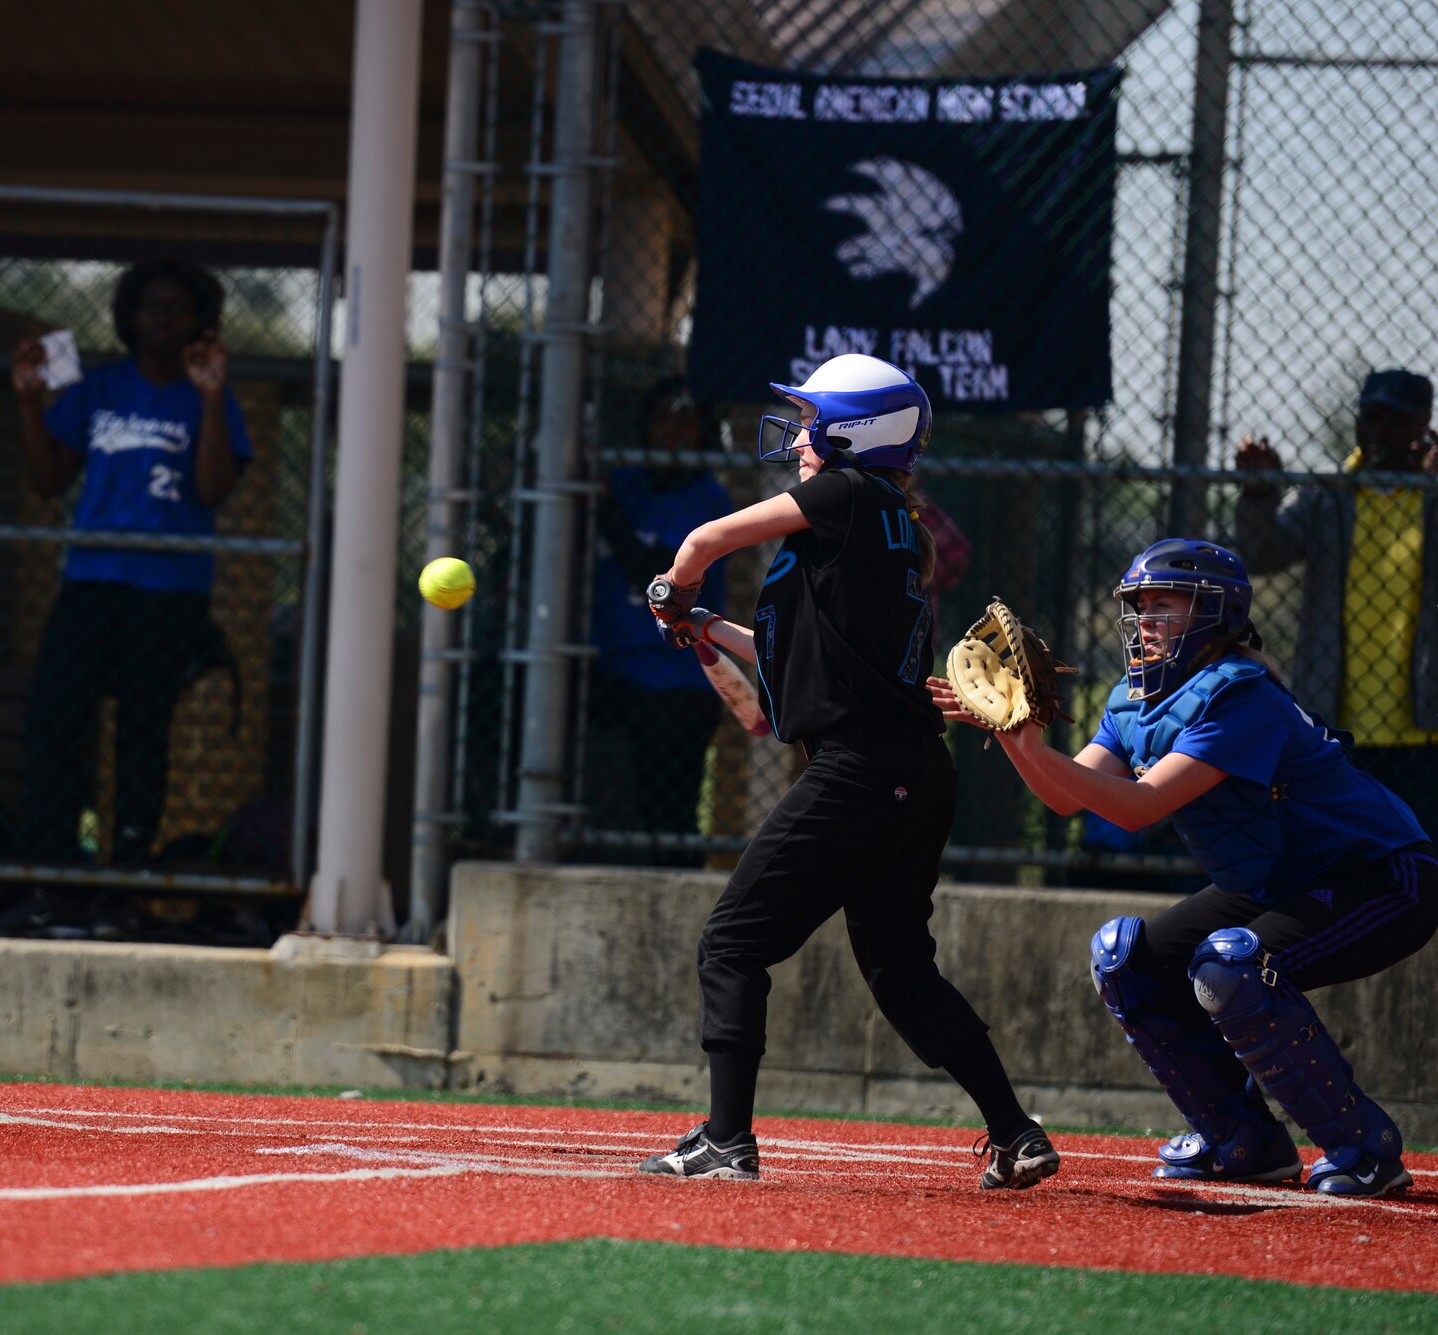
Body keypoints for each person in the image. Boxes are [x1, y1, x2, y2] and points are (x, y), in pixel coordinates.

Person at [637, 354, 1056, 1190]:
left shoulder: (852, 494)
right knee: (901, 969)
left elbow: (703, 540)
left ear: (858, 434)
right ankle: (1015, 1132)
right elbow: (796, 663)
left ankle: (725, 1140)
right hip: (911, 771)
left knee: (732, 943)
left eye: (812, 421)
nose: (798, 436)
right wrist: (706, 624)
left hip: (864, 771)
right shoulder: (885, 524)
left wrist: (672, 587)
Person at [931, 538, 1435, 1196]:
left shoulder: (1239, 697)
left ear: (1214, 613)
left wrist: (1026, 737)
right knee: (1125, 958)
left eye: (1163, 605)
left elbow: (1140, 805)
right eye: (1138, 607)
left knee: (1231, 963)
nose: (1144, 622)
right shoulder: (1135, 698)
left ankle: (1364, 1145)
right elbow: (1064, 795)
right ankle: (1242, 1138)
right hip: (1280, 878)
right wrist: (1010, 733)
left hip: (1387, 876)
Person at [0, 258, 252, 940]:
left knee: (141, 732)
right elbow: (48, 481)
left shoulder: (205, 395)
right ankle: (54, 883)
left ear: (199, 322)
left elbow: (215, 489)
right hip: (93, 580)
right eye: (150, 306)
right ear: (129, 317)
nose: (163, 319)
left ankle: (122, 884)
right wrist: (26, 402)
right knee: (56, 719)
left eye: (177, 308)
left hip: (167, 589)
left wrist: (213, 397)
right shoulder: (97, 388)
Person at [1234, 369, 1438, 836]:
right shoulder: (1329, 494)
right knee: (1339, 855)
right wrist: (1259, 494)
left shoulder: (1431, 497)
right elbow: (1264, 554)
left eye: (1397, 421)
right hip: (1337, 720)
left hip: (1424, 725)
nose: (1381, 433)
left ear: (1422, 428)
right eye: (1372, 419)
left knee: (1420, 860)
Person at [585, 377, 732, 865]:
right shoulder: (625, 483)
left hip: (676, 678)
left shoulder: (709, 501)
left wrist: (608, 509)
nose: (672, 431)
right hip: (610, 670)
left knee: (667, 813)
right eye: (662, 418)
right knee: (601, 803)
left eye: (685, 421)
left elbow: (656, 579)